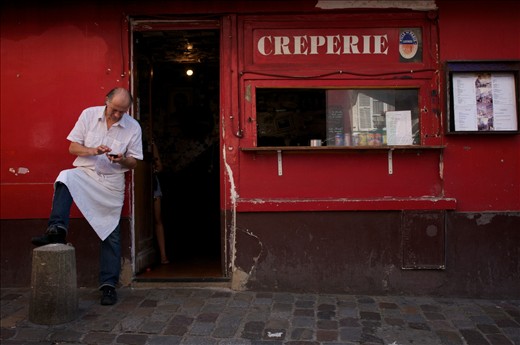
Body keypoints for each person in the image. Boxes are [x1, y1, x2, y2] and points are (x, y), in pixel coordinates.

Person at [31, 87, 143, 306]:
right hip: (86, 173)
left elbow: (134, 162)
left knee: (111, 232)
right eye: (115, 109)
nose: (118, 115)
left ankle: (108, 286)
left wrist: (121, 159)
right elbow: (73, 147)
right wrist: (93, 151)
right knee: (65, 177)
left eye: (123, 111)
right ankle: (57, 230)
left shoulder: (133, 127)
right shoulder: (88, 115)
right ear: (106, 101)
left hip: (111, 183)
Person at [151, 140, 169, 264]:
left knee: (157, 219)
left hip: (152, 183)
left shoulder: (151, 144)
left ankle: (163, 256)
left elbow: (159, 166)